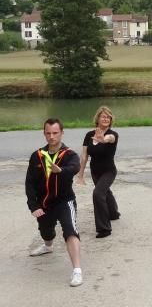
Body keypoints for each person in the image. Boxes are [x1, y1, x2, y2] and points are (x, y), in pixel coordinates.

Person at [25, 118, 83, 287]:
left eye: (55, 133)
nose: (51, 137)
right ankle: (48, 246)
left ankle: (77, 271)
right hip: (44, 204)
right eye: (48, 133)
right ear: (44, 134)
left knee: (70, 231)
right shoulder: (37, 156)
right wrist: (33, 206)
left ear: (62, 133)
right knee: (46, 231)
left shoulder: (69, 154)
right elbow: (29, 183)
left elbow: (75, 167)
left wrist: (61, 170)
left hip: (65, 201)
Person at [77, 106, 120, 238]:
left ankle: (104, 229)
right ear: (98, 118)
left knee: (98, 194)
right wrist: (81, 174)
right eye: (103, 116)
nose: (106, 119)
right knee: (105, 192)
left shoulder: (113, 134)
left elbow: (110, 138)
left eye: (108, 117)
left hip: (109, 171)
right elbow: (84, 155)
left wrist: (103, 139)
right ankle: (113, 213)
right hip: (95, 172)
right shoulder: (89, 135)